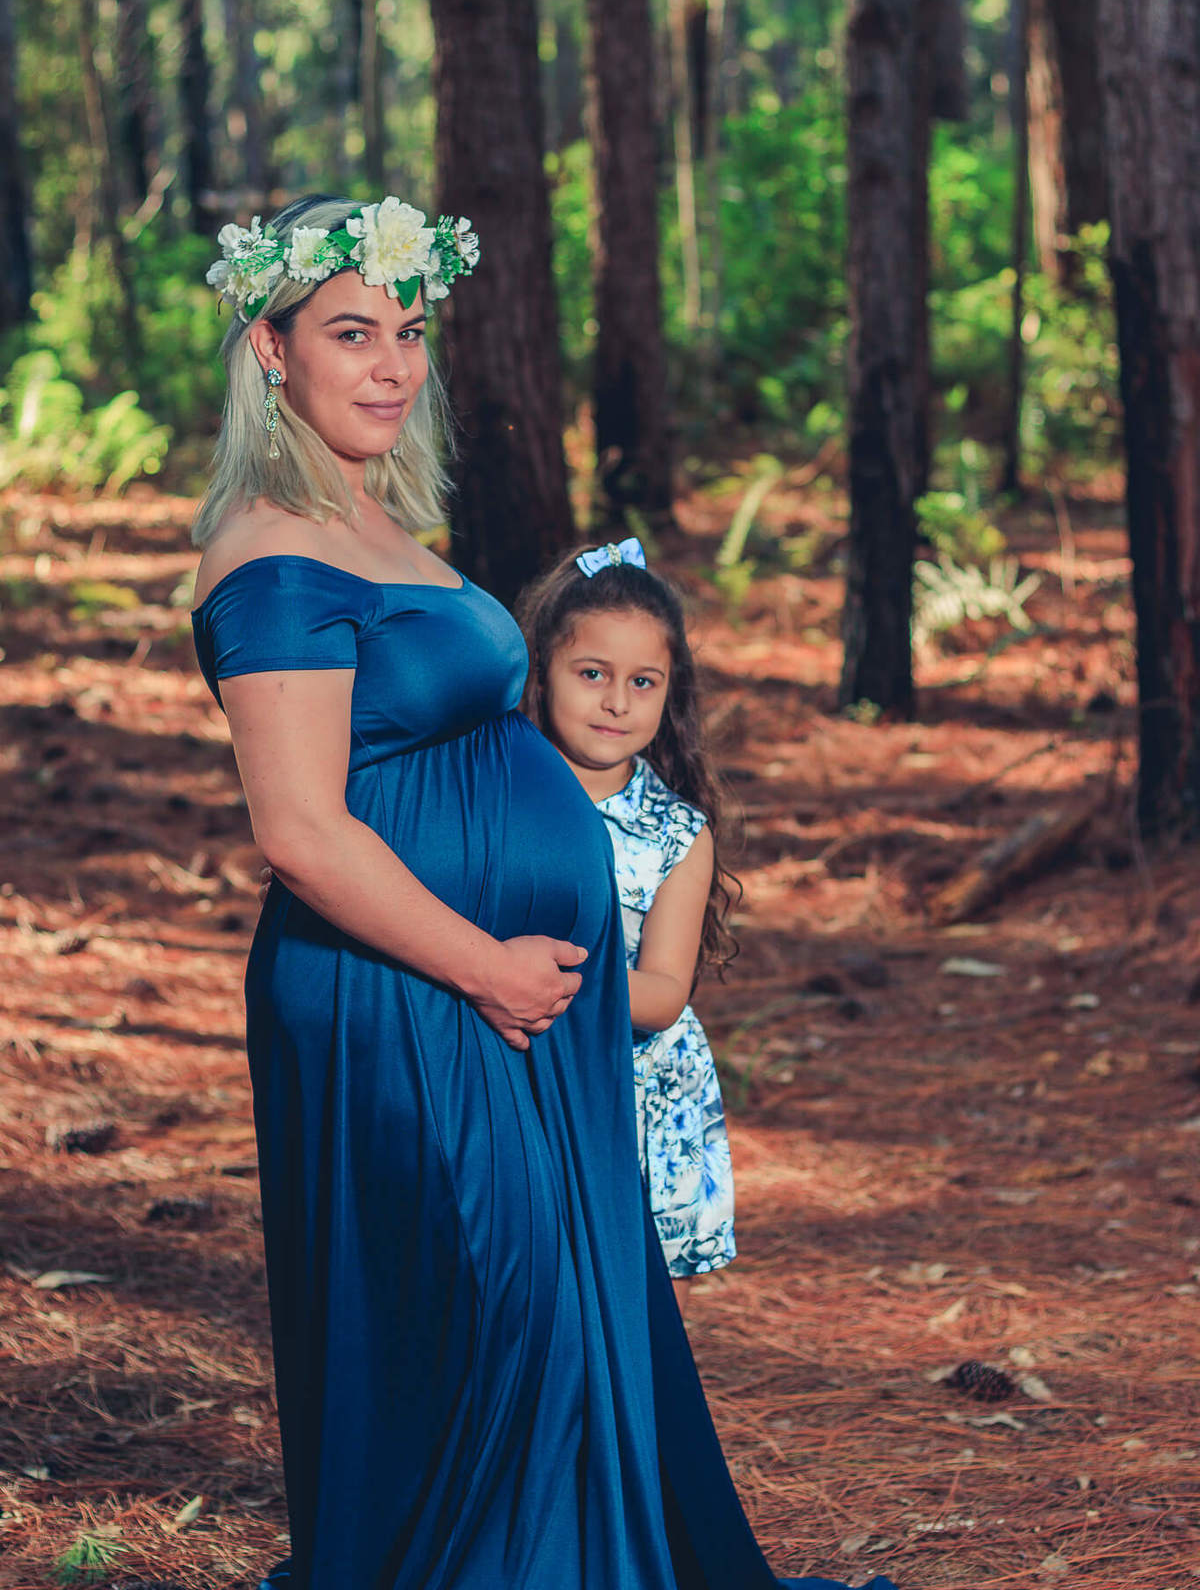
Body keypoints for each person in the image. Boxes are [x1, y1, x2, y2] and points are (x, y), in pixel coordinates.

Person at [190, 190, 901, 1590]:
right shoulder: (270, 551)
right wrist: (487, 965)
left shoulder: (381, 523)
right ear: (272, 352)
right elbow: (301, 831)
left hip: (508, 1004)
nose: (393, 364)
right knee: (499, 1322)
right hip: (405, 998)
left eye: (409, 332)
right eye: (351, 334)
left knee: (561, 1320)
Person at [518, 539, 737, 1314]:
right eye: (592, 675)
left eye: (642, 682)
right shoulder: (494, 788)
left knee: (614, 1301)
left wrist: (549, 979)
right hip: (507, 1067)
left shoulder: (677, 834)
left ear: (669, 694)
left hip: (626, 1086)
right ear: (541, 668)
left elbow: (666, 994)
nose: (617, 702)